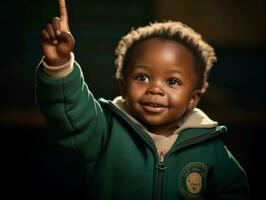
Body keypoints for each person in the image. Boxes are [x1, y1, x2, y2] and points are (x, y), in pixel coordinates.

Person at [36, 0, 249, 199]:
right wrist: (59, 64)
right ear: (124, 86)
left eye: (173, 81)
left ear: (192, 99)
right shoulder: (104, 129)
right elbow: (70, 109)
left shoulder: (209, 146)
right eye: (143, 77)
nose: (155, 88)